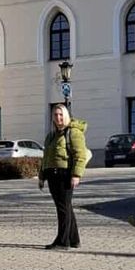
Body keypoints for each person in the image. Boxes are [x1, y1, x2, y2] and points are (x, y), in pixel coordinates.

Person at [38, 104, 89, 250]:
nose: (58, 117)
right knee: (66, 207)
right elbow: (46, 157)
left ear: (66, 116)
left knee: (63, 208)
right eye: (55, 115)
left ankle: (62, 241)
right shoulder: (51, 136)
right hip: (52, 174)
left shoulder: (73, 133)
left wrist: (76, 175)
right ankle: (74, 239)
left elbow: (80, 155)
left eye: (61, 114)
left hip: (64, 174)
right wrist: (41, 176)